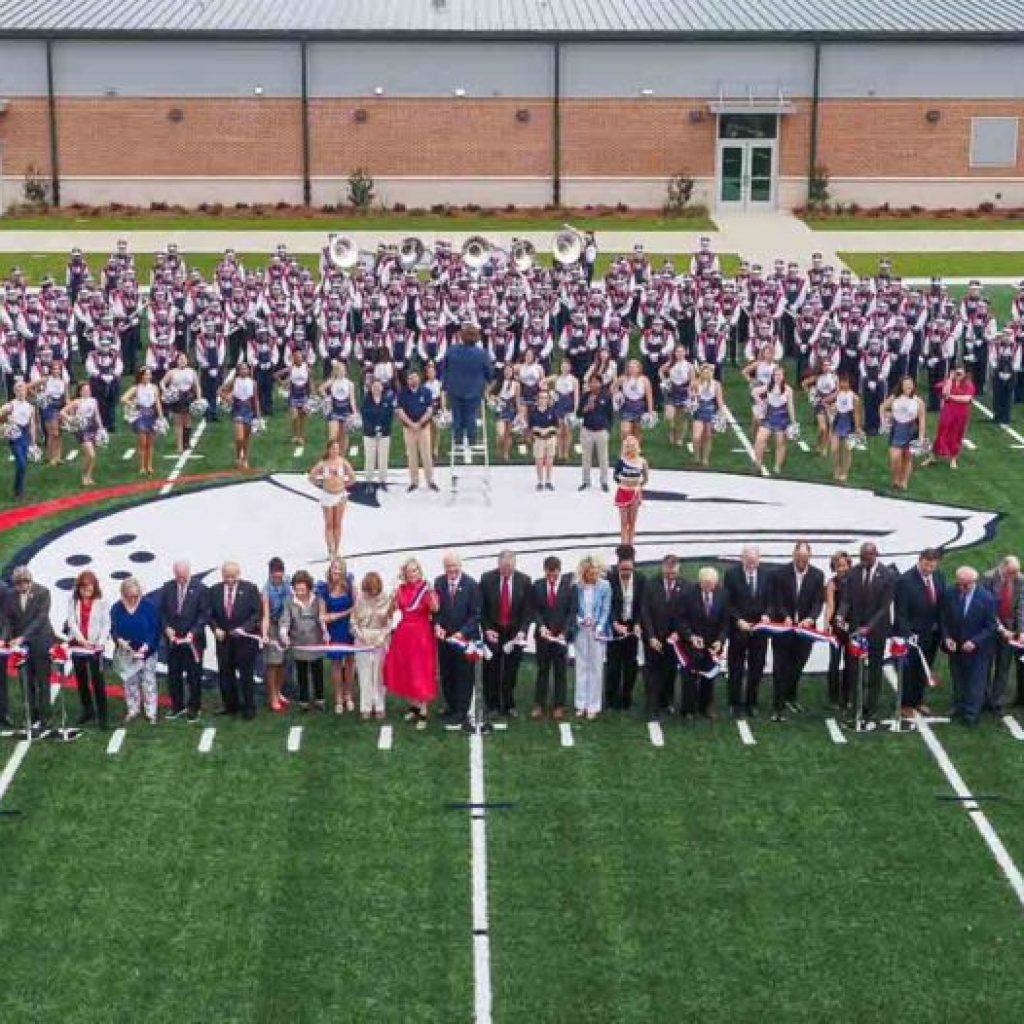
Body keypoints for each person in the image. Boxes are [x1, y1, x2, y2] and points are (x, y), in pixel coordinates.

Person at [840, 542, 896, 730]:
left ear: (875, 555)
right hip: (855, 629)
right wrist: (840, 615)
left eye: (866, 558)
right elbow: (846, 599)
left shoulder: (887, 575)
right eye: (861, 558)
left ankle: (871, 709)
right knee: (854, 669)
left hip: (877, 631)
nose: (863, 561)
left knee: (874, 670)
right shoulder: (853, 573)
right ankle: (856, 707)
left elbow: (884, 608)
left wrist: (869, 627)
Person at [767, 541, 825, 721]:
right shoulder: (780, 574)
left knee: (797, 665)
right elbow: (776, 599)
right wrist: (785, 616)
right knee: (780, 667)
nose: (801, 562)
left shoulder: (817, 575)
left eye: (804, 559)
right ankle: (778, 705)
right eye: (799, 558)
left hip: (805, 630)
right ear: (793, 555)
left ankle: (791, 696)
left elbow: (818, 602)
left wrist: (811, 618)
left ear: (810, 557)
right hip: (784, 628)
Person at [383, 557, 440, 728]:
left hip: (421, 634)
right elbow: (390, 613)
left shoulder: (426, 588)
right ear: (405, 574)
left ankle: (423, 711)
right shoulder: (401, 589)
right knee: (406, 669)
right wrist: (392, 598)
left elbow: (435, 608)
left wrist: (431, 593)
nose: (412, 574)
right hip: (404, 634)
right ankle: (414, 706)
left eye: (415, 570)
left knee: (420, 671)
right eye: (409, 571)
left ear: (419, 571)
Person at [893, 548, 946, 718]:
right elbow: (901, 612)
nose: (929, 568)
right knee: (909, 671)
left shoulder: (939, 577)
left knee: (925, 668)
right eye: (926, 564)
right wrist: (907, 633)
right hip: (913, 635)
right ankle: (905, 703)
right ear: (920, 560)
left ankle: (918, 700)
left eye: (932, 565)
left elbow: (941, 605)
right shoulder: (905, 581)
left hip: (932, 633)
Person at [941, 566, 997, 726]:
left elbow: (991, 626)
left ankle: (971, 714)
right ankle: (958, 706)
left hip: (978, 649)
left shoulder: (987, 599)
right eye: (959, 584)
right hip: (956, 645)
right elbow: (944, 618)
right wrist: (947, 637)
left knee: (975, 681)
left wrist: (975, 641)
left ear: (974, 582)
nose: (962, 588)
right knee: (957, 678)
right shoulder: (950, 593)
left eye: (965, 585)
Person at [433, 551, 482, 731]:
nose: (451, 570)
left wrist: (462, 633)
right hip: (445, 639)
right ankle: (451, 706)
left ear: (460, 566)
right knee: (447, 674)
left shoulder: (472, 584)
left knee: (464, 675)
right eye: (448, 566)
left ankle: (461, 711)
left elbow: (476, 615)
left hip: (464, 640)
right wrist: (437, 624)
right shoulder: (439, 582)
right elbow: (436, 610)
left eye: (454, 566)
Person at [479, 550, 531, 718]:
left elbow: (527, 610)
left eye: (510, 567)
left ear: (515, 565)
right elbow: (481, 609)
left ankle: (508, 704)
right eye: (504, 567)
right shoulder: (486, 579)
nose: (507, 571)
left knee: (511, 669)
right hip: (493, 630)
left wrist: (523, 631)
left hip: (514, 633)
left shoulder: (524, 580)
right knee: (491, 669)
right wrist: (487, 629)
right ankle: (492, 704)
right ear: (498, 564)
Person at [208, 561, 262, 720]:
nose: (230, 579)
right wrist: (215, 628)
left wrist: (244, 628)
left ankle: (249, 707)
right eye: (227, 576)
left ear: (238, 574)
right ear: (222, 575)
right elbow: (209, 614)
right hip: (224, 640)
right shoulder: (214, 590)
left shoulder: (250, 589)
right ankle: (230, 706)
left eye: (232, 576)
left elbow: (257, 614)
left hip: (245, 641)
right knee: (225, 674)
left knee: (246, 675)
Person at [158, 559, 210, 721]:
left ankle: (194, 707)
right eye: (178, 576)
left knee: (194, 675)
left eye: (183, 576)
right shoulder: (167, 587)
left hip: (193, 641)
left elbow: (205, 614)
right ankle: (177, 705)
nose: (181, 579)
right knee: (174, 674)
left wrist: (193, 632)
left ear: (189, 572)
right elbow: (161, 611)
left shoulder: (201, 589)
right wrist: (166, 627)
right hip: (173, 640)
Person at [4, 567, 54, 735]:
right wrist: (6, 639)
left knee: (42, 681)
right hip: (21, 647)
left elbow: (40, 619)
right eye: (18, 585)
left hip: (41, 641)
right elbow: (8, 620)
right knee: (25, 682)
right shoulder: (10, 595)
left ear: (29, 581)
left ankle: (45, 717)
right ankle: (31, 715)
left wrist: (22, 637)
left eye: (24, 584)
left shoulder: (43, 592)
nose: (21, 588)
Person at [723, 544, 770, 718]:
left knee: (756, 667)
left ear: (759, 560)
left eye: (754, 562)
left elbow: (771, 601)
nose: (751, 565)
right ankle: (734, 702)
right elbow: (727, 602)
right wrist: (738, 620)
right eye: (748, 561)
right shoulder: (731, 574)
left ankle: (752, 702)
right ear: (742, 559)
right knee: (735, 667)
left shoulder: (767, 575)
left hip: (759, 631)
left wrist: (767, 615)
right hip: (738, 630)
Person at [110, 576, 160, 726]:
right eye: (129, 596)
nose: (133, 599)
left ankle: (151, 712)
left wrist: (147, 646)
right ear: (123, 594)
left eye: (136, 596)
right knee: (130, 681)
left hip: (146, 651)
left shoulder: (149, 606)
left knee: (148, 681)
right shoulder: (116, 608)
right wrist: (120, 640)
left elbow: (154, 629)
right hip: (127, 652)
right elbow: (113, 629)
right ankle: (133, 709)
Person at [63, 570, 111, 729]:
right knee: (81, 678)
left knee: (98, 680)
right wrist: (82, 641)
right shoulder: (73, 599)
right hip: (79, 644)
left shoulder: (102, 601)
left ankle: (103, 715)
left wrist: (100, 643)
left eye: (89, 590)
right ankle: (87, 709)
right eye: (83, 590)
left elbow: (106, 624)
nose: (86, 593)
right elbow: (71, 621)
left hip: (95, 646)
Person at [640, 554, 686, 720]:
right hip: (653, 637)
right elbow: (645, 611)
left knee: (670, 671)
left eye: (674, 573)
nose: (671, 576)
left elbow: (687, 613)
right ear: (663, 568)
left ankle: (667, 701)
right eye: (668, 573)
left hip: (674, 639)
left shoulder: (686, 586)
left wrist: (678, 633)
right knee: (652, 672)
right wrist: (651, 636)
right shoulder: (650, 584)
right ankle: (652, 705)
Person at [530, 556, 575, 720]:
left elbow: (571, 612)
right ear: (544, 571)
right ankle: (539, 704)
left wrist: (564, 632)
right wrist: (541, 626)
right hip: (543, 637)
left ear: (559, 571)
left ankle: (559, 705)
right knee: (542, 670)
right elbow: (534, 609)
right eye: (548, 574)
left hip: (560, 637)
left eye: (554, 574)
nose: (551, 578)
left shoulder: (568, 587)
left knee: (560, 671)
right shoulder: (537, 585)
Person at [679, 567, 727, 720]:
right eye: (705, 584)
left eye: (711, 584)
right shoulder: (688, 594)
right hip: (692, 643)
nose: (708, 587)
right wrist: (691, 636)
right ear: (700, 581)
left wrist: (720, 640)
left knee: (709, 675)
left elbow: (725, 621)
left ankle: (706, 706)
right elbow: (681, 619)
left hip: (713, 643)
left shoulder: (723, 595)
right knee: (690, 676)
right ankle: (688, 708)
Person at [605, 543, 647, 712]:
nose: (626, 573)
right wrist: (614, 622)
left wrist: (637, 623)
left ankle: (626, 697)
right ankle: (611, 698)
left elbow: (642, 605)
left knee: (630, 665)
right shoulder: (610, 579)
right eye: (623, 569)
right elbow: (606, 604)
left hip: (631, 626)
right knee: (613, 664)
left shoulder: (641, 579)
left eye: (629, 569)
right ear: (618, 565)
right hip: (615, 625)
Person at [982, 556, 1024, 716]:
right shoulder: (987, 578)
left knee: (1003, 666)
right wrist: (1001, 629)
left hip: (1010, 629)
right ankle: (983, 699)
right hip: (990, 627)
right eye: (1011, 572)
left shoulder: (1020, 579)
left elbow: (1020, 606)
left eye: (1016, 572)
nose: (1013, 576)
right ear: (1003, 566)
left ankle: (996, 702)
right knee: (986, 665)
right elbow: (988, 608)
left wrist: (1021, 631)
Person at [442, 324, 494, 455]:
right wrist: (486, 383)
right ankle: (472, 439)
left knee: (457, 414)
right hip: (474, 390)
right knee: (471, 414)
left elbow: (445, 369)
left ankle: (458, 438)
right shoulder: (482, 354)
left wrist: (446, 385)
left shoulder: (451, 350)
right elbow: (489, 373)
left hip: (455, 388)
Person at [572, 554, 612, 720]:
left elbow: (606, 609)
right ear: (584, 573)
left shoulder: (605, 586)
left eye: (596, 573)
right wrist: (581, 620)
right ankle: (580, 703)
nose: (594, 576)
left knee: (596, 667)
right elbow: (573, 608)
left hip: (597, 631)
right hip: (581, 630)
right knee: (581, 665)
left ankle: (593, 705)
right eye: (591, 574)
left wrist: (599, 626)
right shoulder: (577, 586)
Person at [280, 570, 326, 711]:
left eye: (302, 589)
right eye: (296, 589)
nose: (299, 592)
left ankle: (319, 699)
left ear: (309, 588)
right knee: (301, 673)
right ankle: (304, 701)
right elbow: (285, 619)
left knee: (318, 672)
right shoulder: (289, 601)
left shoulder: (318, 600)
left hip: (316, 642)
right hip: (299, 643)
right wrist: (283, 632)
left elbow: (322, 618)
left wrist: (325, 632)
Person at [352, 571, 392, 721]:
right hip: (363, 640)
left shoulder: (387, 598)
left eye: (375, 590)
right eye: (370, 591)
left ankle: (379, 705)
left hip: (381, 640)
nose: (372, 594)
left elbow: (390, 621)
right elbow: (353, 622)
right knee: (364, 675)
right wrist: (361, 636)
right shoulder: (359, 599)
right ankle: (366, 707)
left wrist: (382, 637)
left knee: (379, 675)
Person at [318, 558, 355, 714]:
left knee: (350, 663)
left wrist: (343, 616)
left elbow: (357, 607)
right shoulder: (324, 589)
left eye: (340, 568)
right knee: (336, 665)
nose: (337, 571)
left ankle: (348, 696)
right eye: (334, 568)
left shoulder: (350, 586)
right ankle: (338, 698)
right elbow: (323, 616)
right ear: (330, 569)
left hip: (350, 629)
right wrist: (344, 613)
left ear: (344, 571)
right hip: (334, 631)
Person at [308, 441, 356, 559]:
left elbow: (352, 477)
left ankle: (337, 549)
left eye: (337, 448)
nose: (335, 451)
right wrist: (321, 483)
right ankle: (330, 550)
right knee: (329, 524)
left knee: (338, 524)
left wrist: (344, 484)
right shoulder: (323, 463)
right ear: (328, 450)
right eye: (333, 448)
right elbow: (311, 477)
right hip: (327, 495)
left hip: (340, 495)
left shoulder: (343, 462)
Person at [924, 366, 975, 470]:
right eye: (956, 373)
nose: (958, 375)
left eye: (960, 373)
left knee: (956, 435)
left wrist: (951, 397)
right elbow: (944, 393)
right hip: (948, 412)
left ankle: (953, 458)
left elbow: (966, 399)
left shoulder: (968, 384)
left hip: (961, 414)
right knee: (941, 433)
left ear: (964, 374)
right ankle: (933, 456)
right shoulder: (949, 382)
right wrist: (950, 379)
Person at [397, 369, 438, 492]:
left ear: (419, 378)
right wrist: (411, 424)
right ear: (407, 381)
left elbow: (430, 410)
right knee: (412, 455)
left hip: (423, 428)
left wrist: (419, 423)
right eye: (410, 378)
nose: (413, 380)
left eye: (414, 377)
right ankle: (414, 481)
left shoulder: (426, 392)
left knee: (426, 455)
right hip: (408, 429)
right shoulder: (402, 393)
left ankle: (430, 481)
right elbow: (400, 411)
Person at [883, 376, 927, 490]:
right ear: (901, 386)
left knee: (907, 457)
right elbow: (882, 407)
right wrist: (886, 419)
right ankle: (896, 479)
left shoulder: (918, 401)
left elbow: (922, 420)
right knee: (895, 457)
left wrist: (921, 437)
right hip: (897, 429)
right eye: (906, 384)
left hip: (911, 430)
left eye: (910, 384)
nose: (909, 386)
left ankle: (904, 481)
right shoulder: (895, 397)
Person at [260, 557, 291, 714]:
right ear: (270, 573)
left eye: (280, 575)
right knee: (273, 663)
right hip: (272, 625)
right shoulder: (266, 590)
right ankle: (272, 696)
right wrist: (264, 633)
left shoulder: (288, 583)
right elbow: (265, 615)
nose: (278, 578)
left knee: (283, 662)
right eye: (275, 575)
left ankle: (279, 691)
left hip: (286, 624)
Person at [753, 366, 796, 475]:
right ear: (773, 376)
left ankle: (777, 467)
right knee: (759, 440)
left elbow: (790, 407)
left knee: (780, 443)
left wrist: (793, 422)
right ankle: (758, 464)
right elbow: (754, 392)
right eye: (775, 375)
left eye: (779, 375)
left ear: (783, 376)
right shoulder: (769, 386)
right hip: (769, 417)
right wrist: (761, 403)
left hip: (782, 419)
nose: (777, 377)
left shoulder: (788, 390)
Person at [0, 380, 38, 501]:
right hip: (15, 436)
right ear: (15, 391)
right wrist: (4, 427)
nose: (21, 391)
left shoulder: (30, 407)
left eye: (23, 389)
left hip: (25, 435)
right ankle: (19, 492)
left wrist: (34, 442)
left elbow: (32, 425)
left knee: (23, 464)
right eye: (18, 389)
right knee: (21, 463)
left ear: (26, 391)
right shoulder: (10, 405)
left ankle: (19, 491)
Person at [121, 367, 163, 476]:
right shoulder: (136, 388)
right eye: (145, 374)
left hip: (152, 415)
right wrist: (133, 404)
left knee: (150, 443)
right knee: (142, 443)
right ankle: (142, 467)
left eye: (149, 374)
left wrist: (161, 416)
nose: (147, 376)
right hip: (140, 416)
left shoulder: (154, 387)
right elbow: (123, 398)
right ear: (141, 376)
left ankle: (149, 466)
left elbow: (157, 402)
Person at [220, 362, 260, 471]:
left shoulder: (253, 383)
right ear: (238, 371)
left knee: (246, 438)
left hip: (249, 411)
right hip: (238, 410)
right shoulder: (234, 381)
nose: (244, 371)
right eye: (241, 369)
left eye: (245, 369)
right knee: (239, 437)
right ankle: (238, 457)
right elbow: (220, 391)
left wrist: (257, 416)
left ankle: (245, 459)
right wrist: (228, 399)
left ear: (248, 370)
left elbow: (255, 400)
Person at [824, 551, 852, 709]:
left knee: (850, 662)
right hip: (836, 627)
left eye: (843, 565)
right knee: (834, 661)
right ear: (834, 567)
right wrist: (827, 624)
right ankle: (833, 696)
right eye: (838, 566)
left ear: (849, 565)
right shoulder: (831, 583)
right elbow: (830, 605)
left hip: (851, 626)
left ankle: (847, 696)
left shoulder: (854, 581)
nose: (841, 568)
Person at [62, 382, 103, 486]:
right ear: (80, 391)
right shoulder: (77, 402)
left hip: (92, 427)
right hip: (81, 429)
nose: (87, 392)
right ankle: (84, 476)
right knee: (91, 455)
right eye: (84, 390)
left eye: (88, 390)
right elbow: (62, 412)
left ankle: (89, 476)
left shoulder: (94, 401)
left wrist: (101, 428)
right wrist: (71, 419)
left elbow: (97, 414)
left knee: (92, 456)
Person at [578, 373, 613, 492]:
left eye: (596, 382)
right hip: (587, 430)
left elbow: (610, 415)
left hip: (601, 431)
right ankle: (585, 481)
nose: (593, 384)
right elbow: (579, 413)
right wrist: (586, 408)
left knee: (603, 458)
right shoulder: (585, 396)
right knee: (586, 457)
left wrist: (608, 430)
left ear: (600, 383)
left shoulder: (606, 396)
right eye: (591, 382)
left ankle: (604, 482)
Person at [690, 362, 728, 467]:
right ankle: (696, 457)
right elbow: (691, 398)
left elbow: (720, 401)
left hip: (710, 411)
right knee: (696, 437)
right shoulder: (695, 383)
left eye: (709, 372)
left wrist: (721, 414)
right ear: (701, 373)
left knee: (707, 436)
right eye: (705, 372)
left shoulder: (716, 385)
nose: (707, 374)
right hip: (699, 410)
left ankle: (705, 458)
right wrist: (694, 396)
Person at [613, 435, 649, 546]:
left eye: (632, 446)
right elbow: (615, 476)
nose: (630, 449)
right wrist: (625, 482)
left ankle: (630, 544)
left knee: (632, 522)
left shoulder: (642, 462)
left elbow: (646, 478)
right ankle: (623, 544)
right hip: (623, 492)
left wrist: (637, 485)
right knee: (624, 522)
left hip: (635, 493)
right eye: (628, 446)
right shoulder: (621, 461)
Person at [361, 378, 394, 490]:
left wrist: (381, 430)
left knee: (383, 458)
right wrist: (373, 430)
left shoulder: (387, 400)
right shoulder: (366, 401)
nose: (376, 388)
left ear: (382, 388)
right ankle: (369, 481)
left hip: (384, 434)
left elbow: (390, 417)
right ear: (371, 388)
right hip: (369, 434)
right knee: (369, 458)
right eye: (374, 386)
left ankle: (382, 480)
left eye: (378, 386)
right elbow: (365, 417)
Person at [830, 375, 862, 483]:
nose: (842, 384)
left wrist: (857, 428)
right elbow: (826, 401)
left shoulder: (854, 397)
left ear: (849, 383)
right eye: (841, 382)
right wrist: (831, 408)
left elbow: (856, 414)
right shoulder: (838, 394)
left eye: (845, 382)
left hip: (849, 424)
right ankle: (837, 468)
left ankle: (844, 472)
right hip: (838, 423)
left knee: (847, 450)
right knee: (834, 449)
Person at [529, 389, 559, 491]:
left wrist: (548, 429)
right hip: (539, 439)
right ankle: (540, 481)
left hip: (550, 438)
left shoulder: (552, 411)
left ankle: (548, 481)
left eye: (545, 398)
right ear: (538, 399)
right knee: (539, 460)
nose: (543, 400)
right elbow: (531, 427)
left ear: (548, 399)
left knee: (550, 460)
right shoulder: (533, 412)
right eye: (541, 398)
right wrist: (539, 430)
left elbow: (556, 426)